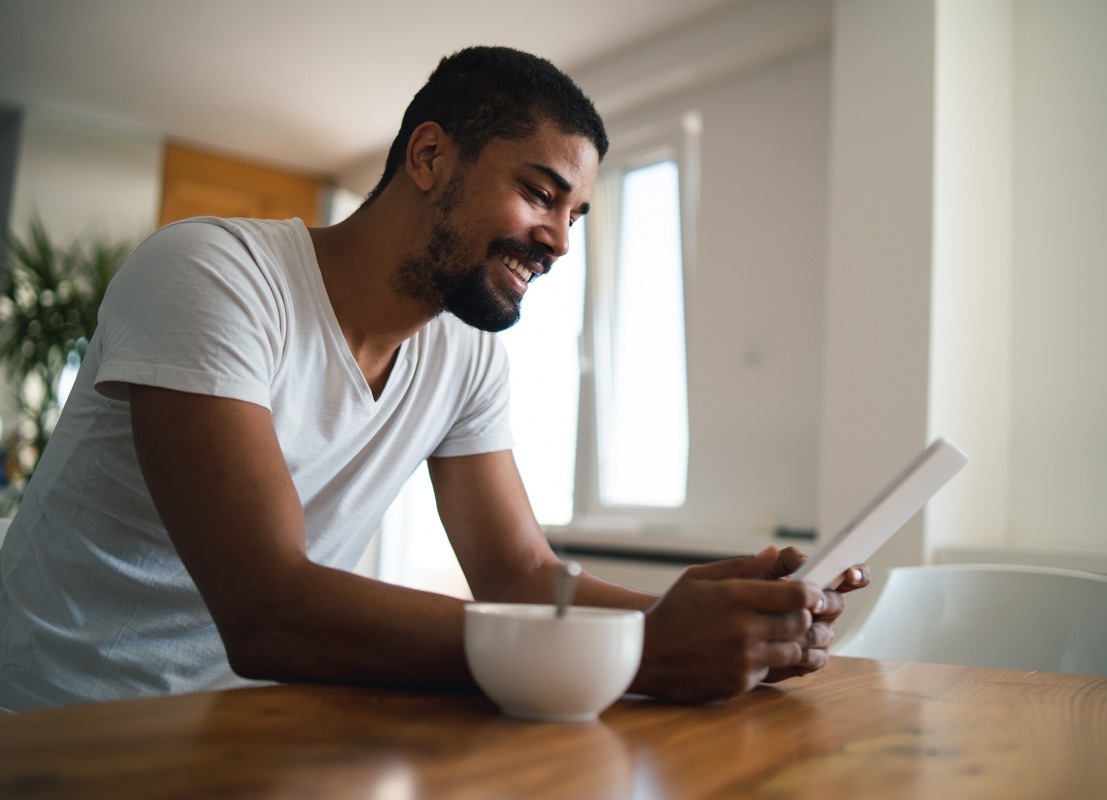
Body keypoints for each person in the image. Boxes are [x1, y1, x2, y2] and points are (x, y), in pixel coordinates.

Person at [0, 46, 868, 711]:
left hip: (254, 727)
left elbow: (521, 574)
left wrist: (699, 617)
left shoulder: (467, 355)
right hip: (63, 726)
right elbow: (267, 607)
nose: (561, 240)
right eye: (540, 193)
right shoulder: (211, 274)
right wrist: (646, 651)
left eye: (576, 214)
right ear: (429, 157)